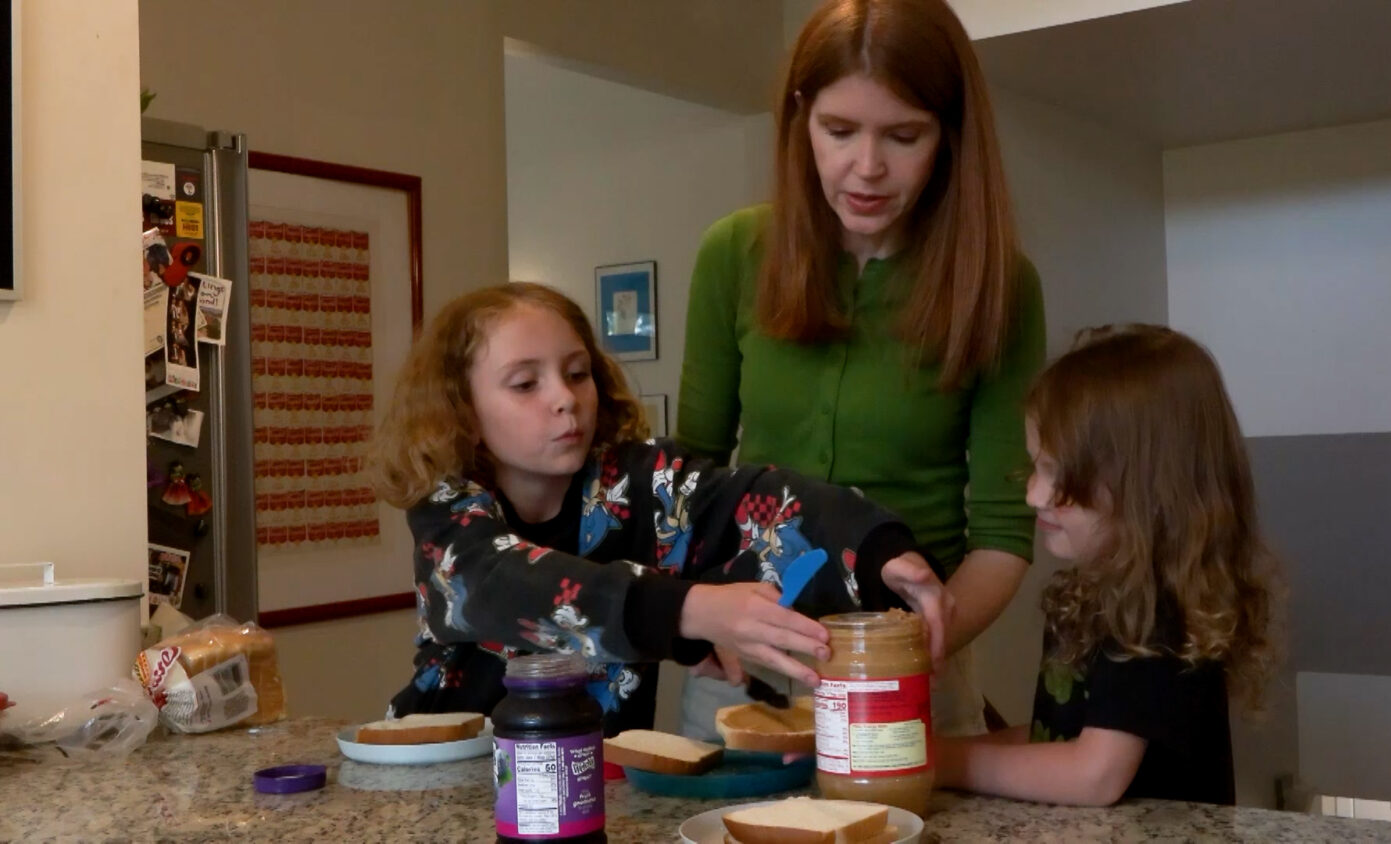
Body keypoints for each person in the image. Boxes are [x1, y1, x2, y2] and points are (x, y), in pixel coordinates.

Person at [676, 0, 1045, 737]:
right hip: (745, 670)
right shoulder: (733, 255)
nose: (866, 168)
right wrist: (706, 616)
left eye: (904, 136)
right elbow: (688, 480)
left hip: (911, 668)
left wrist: (901, 648)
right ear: (799, 119)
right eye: (839, 131)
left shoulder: (1001, 285)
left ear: (949, 138)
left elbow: (1004, 534)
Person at [365, 282, 951, 734]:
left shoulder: (635, 484)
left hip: (599, 784)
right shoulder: (446, 510)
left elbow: (750, 500)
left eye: (577, 373)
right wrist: (688, 611)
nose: (565, 399)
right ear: (462, 410)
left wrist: (877, 552)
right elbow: (502, 582)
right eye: (525, 384)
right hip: (450, 780)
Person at [934, 325, 1280, 806]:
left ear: (1145, 488)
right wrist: (931, 753)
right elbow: (1054, 740)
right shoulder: (1095, 593)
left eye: (1057, 473)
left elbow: (1093, 774)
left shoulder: (1155, 607)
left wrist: (940, 762)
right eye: (1036, 467)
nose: (1033, 494)